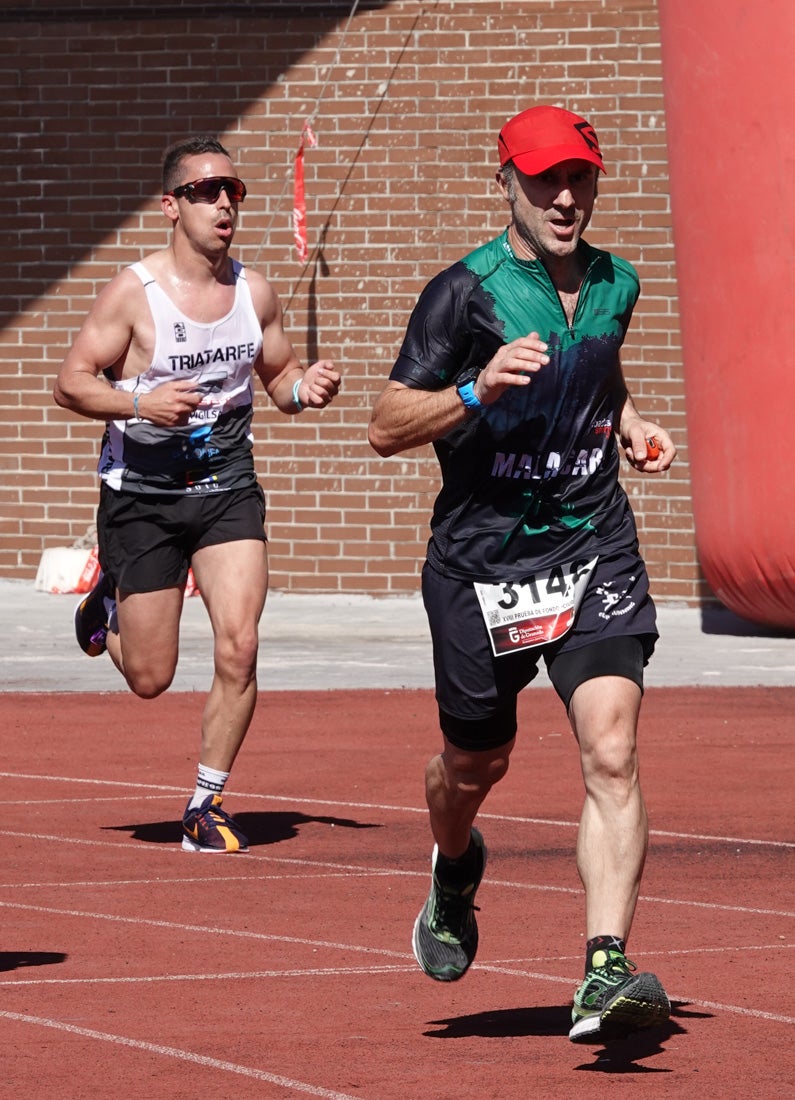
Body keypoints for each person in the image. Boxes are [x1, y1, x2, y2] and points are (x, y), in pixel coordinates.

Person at [368, 105, 676, 1044]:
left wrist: (628, 425)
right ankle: (454, 866)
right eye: (543, 178)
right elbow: (384, 425)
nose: (563, 196)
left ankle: (604, 967)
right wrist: (474, 387)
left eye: (578, 176)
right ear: (504, 181)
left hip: (591, 545)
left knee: (612, 751)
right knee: (474, 764)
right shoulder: (464, 294)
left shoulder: (618, 282)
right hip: (480, 565)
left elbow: (601, 370)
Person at [54, 136, 340, 854]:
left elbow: (279, 381)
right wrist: (137, 405)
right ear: (170, 206)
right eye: (207, 191)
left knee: (239, 645)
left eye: (232, 192)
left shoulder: (254, 292)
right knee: (151, 677)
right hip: (143, 499)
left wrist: (305, 390)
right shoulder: (134, 293)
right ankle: (106, 608)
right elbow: (70, 383)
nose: (223, 203)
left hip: (226, 492)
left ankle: (205, 803)